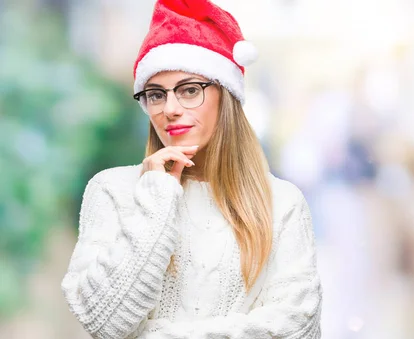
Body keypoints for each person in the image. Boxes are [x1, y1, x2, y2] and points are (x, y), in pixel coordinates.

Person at [60, 0, 323, 338]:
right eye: (155, 94)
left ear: (224, 95)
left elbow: (297, 328)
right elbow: (104, 322)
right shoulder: (113, 190)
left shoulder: (282, 203)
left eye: (189, 90)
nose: (170, 109)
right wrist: (157, 198)